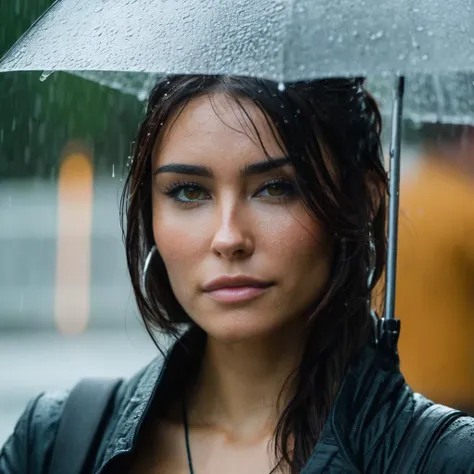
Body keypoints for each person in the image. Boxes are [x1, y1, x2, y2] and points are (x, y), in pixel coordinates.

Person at [1, 75, 473, 474]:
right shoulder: (54, 445)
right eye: (188, 191)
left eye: (275, 188)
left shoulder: (442, 459)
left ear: (362, 201)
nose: (228, 238)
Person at [391, 123, 474, 413]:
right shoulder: (465, 206)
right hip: (456, 387)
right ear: (467, 139)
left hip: (396, 381)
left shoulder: (397, 199)